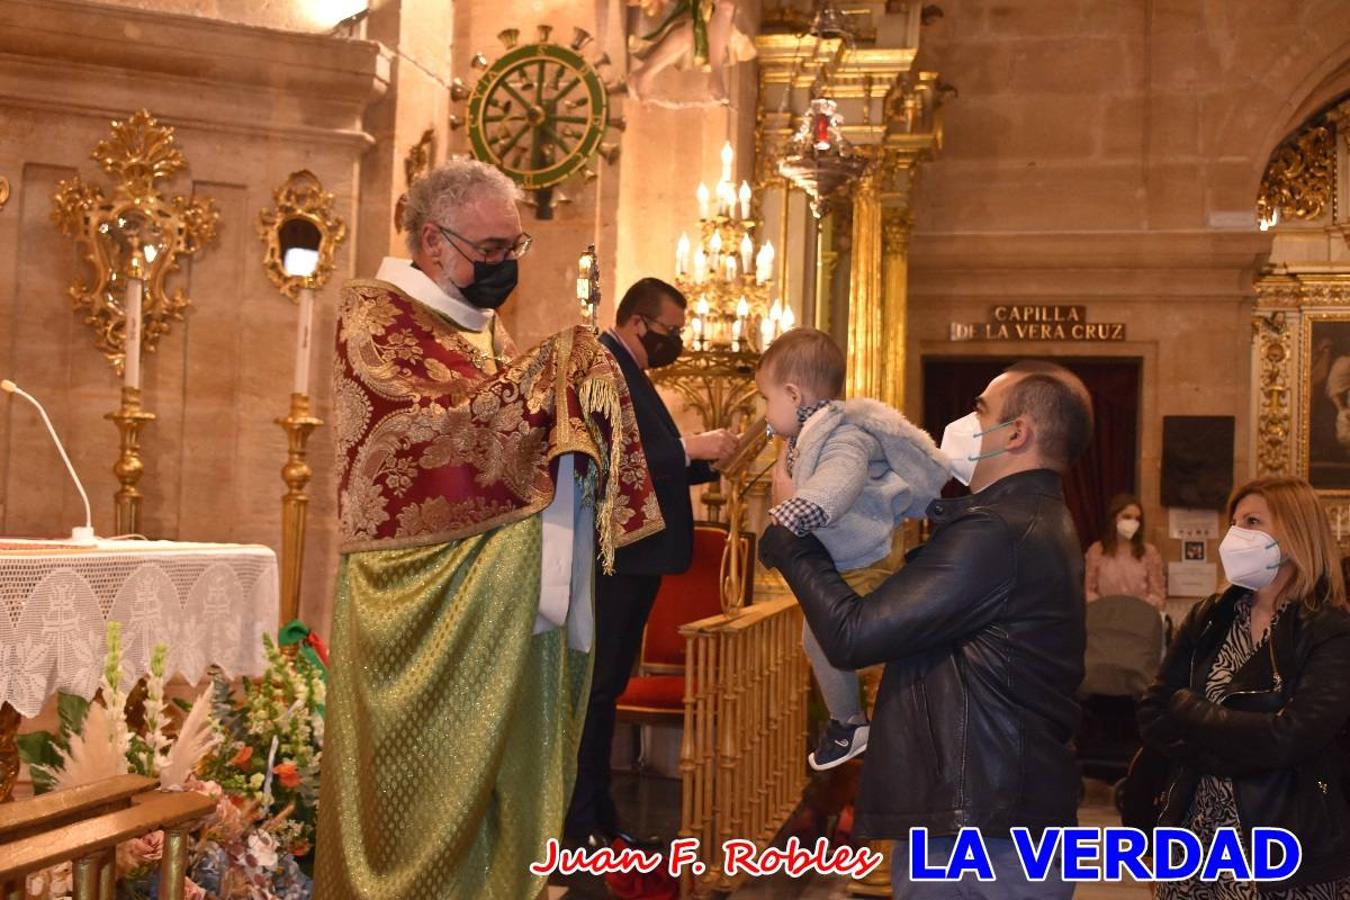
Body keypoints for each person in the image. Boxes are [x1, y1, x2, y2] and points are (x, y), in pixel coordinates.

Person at [314, 159, 665, 899]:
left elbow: (513, 444)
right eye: (493, 250)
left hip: (494, 599)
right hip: (418, 598)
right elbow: (425, 441)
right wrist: (553, 371)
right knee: (425, 773)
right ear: (435, 241)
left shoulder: (485, 332)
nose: (506, 265)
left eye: (514, 248)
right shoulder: (374, 316)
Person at [759, 360, 1094, 899]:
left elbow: (854, 635)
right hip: (988, 813)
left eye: (980, 410)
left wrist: (790, 535)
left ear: (1016, 433)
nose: (964, 421)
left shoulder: (998, 532)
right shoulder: (1025, 517)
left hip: (982, 833)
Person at [565, 276, 739, 849]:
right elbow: (609, 449)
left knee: (607, 686)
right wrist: (691, 447)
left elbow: (649, 462)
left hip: (635, 554)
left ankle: (599, 812)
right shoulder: (602, 364)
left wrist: (706, 461)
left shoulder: (632, 371)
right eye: (672, 330)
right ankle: (582, 819)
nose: (678, 341)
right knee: (598, 689)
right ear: (638, 323)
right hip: (616, 554)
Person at [1137, 476, 1350, 898]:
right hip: (1194, 836)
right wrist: (1231, 746)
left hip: (1285, 845)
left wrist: (1191, 710)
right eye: (1234, 522)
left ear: (1296, 532)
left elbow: (1291, 737)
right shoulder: (1211, 616)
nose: (1236, 536)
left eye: (1252, 521)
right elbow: (1153, 709)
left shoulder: (1329, 629)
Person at [756, 328, 950, 771]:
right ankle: (850, 723)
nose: (765, 413)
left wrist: (793, 515)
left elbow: (836, 486)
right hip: (844, 562)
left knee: (839, 640)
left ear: (792, 393)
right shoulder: (808, 437)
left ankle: (855, 719)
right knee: (818, 640)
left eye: (767, 400)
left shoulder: (844, 436)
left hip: (863, 561)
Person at [1084, 492, 1166, 610]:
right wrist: (1107, 607)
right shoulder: (1097, 550)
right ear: (1114, 518)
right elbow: (1088, 591)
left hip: (1138, 618)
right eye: (1127, 517)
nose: (1132, 522)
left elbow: (1158, 595)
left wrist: (1134, 608)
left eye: (1137, 519)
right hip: (1104, 618)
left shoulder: (1149, 552)